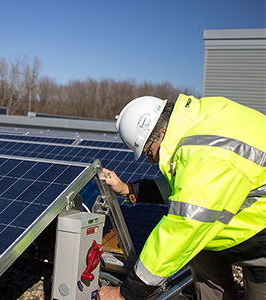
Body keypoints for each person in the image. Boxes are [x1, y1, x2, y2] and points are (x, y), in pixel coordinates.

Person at [97, 94, 266, 300]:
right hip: (248, 222)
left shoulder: (209, 151)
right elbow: (184, 185)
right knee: (198, 251)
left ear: (162, 132)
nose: (151, 161)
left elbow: (184, 227)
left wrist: (126, 293)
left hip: (260, 240)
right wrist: (128, 190)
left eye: (149, 153)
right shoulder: (200, 120)